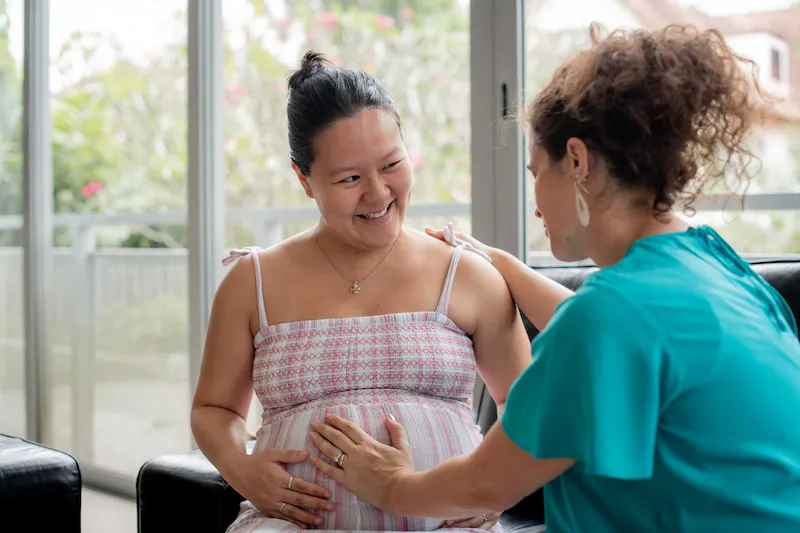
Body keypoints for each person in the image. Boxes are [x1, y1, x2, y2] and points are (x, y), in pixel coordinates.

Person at [307, 23, 800, 533]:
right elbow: (622, 339)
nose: (535, 199)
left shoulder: (613, 318)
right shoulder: (718, 267)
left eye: (535, 170)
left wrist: (389, 485)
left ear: (578, 161)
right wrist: (506, 267)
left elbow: (486, 484)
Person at [190, 51, 545, 532]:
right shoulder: (250, 283)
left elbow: (527, 404)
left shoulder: (467, 274)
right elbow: (214, 409)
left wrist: (494, 487)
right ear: (304, 180)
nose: (378, 194)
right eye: (349, 179)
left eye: (391, 164)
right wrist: (242, 469)